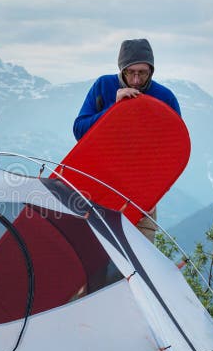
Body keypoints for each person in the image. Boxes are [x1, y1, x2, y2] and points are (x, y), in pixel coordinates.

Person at [72, 38, 182, 241]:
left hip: (141, 194)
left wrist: (155, 190)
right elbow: (79, 130)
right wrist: (114, 110)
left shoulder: (165, 98)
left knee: (139, 262)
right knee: (95, 251)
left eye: (143, 73)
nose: (137, 80)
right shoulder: (104, 86)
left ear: (151, 70)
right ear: (121, 69)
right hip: (99, 186)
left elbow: (174, 150)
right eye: (131, 72)